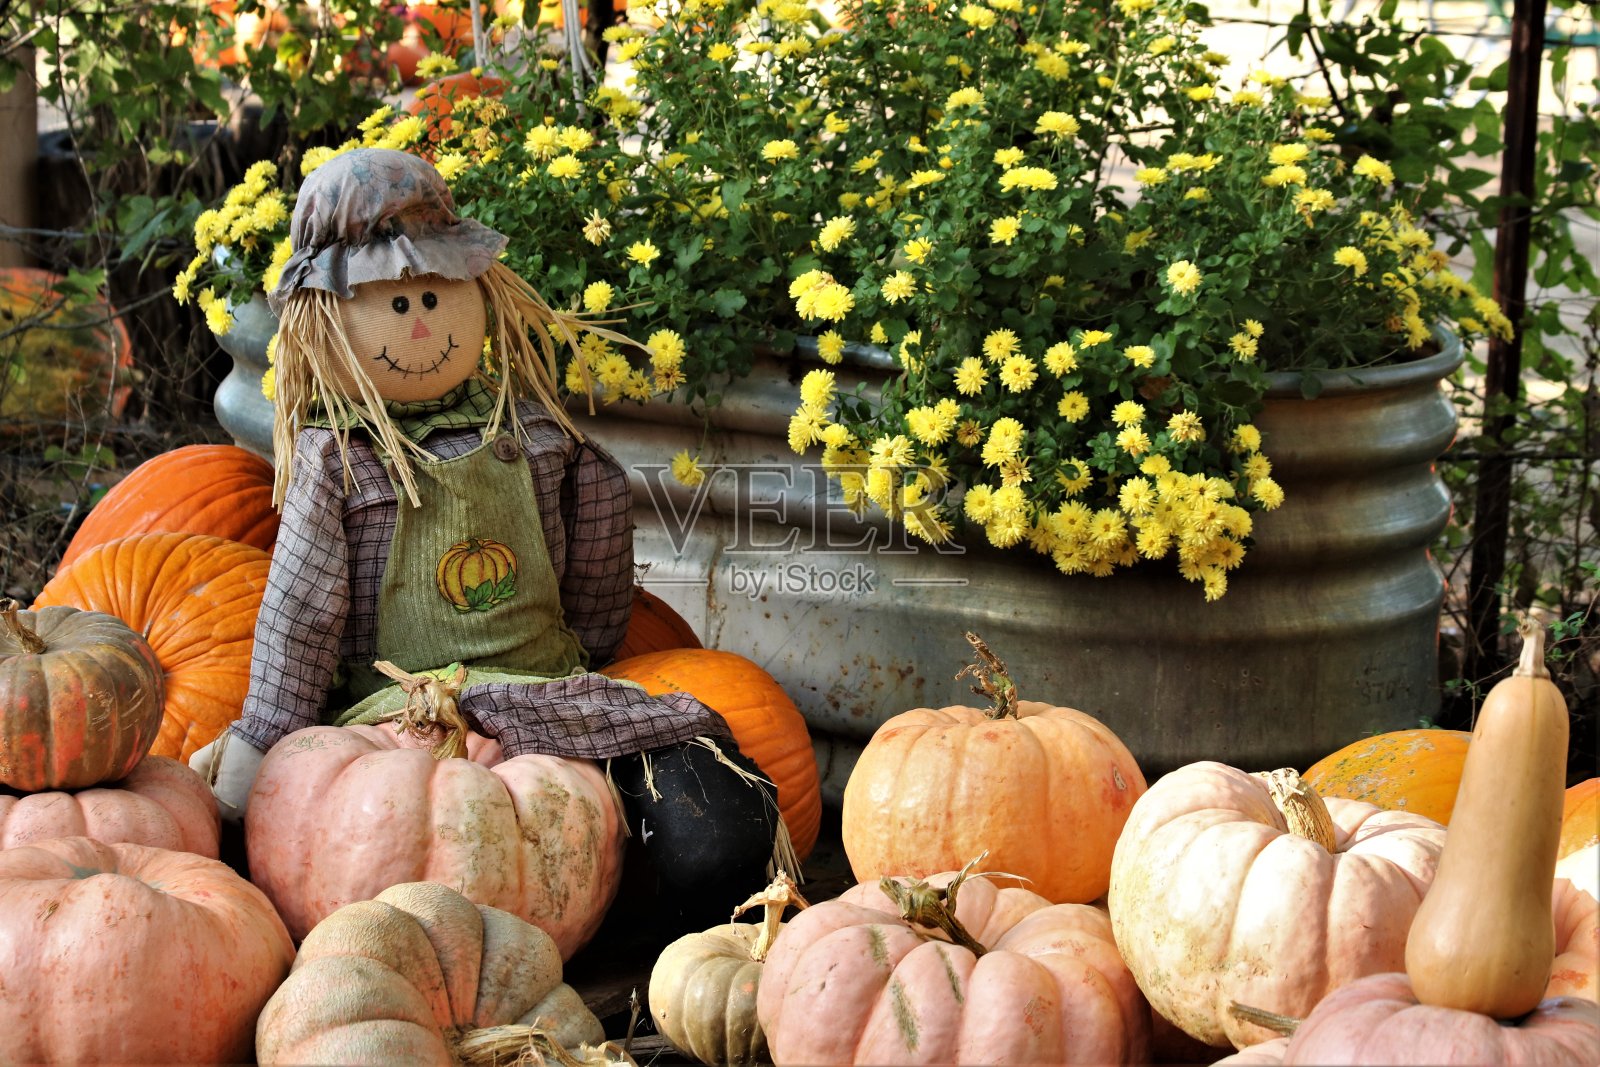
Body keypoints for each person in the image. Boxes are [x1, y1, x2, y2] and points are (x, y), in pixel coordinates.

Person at [189, 147, 779, 918]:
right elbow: (300, 618)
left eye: (437, 290)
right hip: (397, 724)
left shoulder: (531, 433)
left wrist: (594, 650)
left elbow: (598, 550)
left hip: (549, 696)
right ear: (322, 318)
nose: (422, 317)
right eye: (395, 303)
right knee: (438, 841)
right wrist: (265, 739)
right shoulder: (340, 464)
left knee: (713, 828)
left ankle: (685, 908)